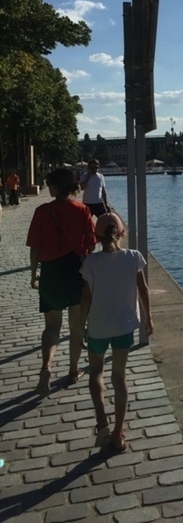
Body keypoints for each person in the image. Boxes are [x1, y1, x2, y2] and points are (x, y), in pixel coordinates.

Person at [80, 213, 153, 452]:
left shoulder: (91, 262)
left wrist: (81, 327)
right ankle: (118, 433)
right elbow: (143, 290)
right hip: (123, 327)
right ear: (122, 233)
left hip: (99, 327)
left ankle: (102, 422)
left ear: (97, 237)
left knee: (96, 373)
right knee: (119, 378)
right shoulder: (133, 257)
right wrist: (148, 319)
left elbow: (86, 298)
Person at [27, 167, 97, 397]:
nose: (48, 187)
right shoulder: (82, 209)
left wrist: (34, 274)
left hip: (51, 272)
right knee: (76, 327)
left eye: (49, 184)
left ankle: (46, 367)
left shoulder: (42, 211)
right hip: (75, 271)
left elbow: (35, 248)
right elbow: (91, 244)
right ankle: (73, 370)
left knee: (51, 327)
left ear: (56, 187)